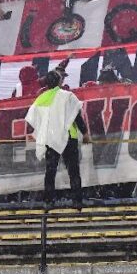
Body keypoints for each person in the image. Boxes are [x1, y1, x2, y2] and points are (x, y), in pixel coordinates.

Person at [24, 70, 89, 209]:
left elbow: (33, 118)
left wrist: (40, 131)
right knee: (73, 170)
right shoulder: (67, 96)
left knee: (50, 171)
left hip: (51, 138)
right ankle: (77, 201)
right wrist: (85, 132)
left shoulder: (41, 98)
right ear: (60, 82)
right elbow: (76, 116)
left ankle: (48, 201)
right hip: (68, 136)